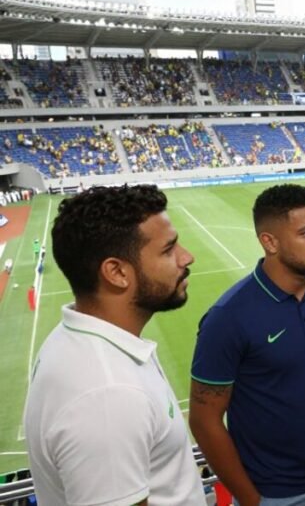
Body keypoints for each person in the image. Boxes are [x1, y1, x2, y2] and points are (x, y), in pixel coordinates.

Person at [24, 184, 205, 504]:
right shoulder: (108, 396)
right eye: (168, 249)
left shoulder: (79, 341)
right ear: (117, 272)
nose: (187, 257)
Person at [190, 184, 305, 505]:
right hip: (272, 493)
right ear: (270, 242)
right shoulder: (228, 317)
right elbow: (204, 420)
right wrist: (250, 499)